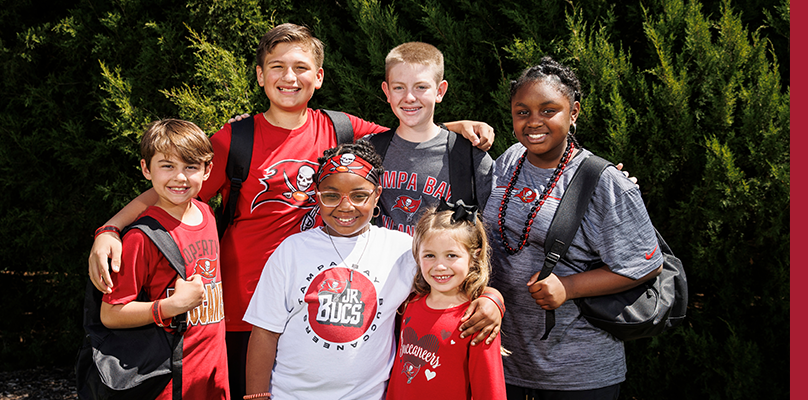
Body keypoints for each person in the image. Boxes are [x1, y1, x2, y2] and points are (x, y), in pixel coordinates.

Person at [85, 23, 503, 397]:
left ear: (319, 77)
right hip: (242, 312)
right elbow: (174, 191)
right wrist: (111, 228)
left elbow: (407, 129)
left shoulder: (341, 130)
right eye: (278, 66)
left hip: (332, 302)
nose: (290, 77)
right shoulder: (236, 139)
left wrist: (453, 129)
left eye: (301, 67)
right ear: (260, 76)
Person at [484, 57, 668, 400]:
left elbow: (647, 264)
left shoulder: (603, 182)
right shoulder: (509, 160)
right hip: (505, 361)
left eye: (548, 110)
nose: (533, 122)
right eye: (522, 112)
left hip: (578, 372)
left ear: (574, 112)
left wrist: (568, 286)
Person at [243, 142, 418, 399]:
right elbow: (265, 331)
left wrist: (489, 299)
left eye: (359, 196)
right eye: (331, 196)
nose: (345, 207)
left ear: (377, 194)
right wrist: (256, 397)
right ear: (317, 194)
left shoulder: (402, 250)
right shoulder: (292, 250)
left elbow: (452, 279)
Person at [86, 119, 227, 399]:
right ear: (145, 169)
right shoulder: (142, 237)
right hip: (168, 381)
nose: (180, 177)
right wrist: (170, 306)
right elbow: (110, 314)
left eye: (191, 166)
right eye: (167, 166)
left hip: (212, 373)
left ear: (208, 169)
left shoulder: (207, 214)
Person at [366, 42, 495, 235]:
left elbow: (492, 231)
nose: (409, 97)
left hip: (442, 264)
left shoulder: (469, 157)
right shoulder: (369, 150)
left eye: (421, 87)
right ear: (387, 92)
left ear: (440, 91)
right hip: (385, 264)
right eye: (399, 87)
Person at [386, 205, 505, 400]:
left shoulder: (477, 319)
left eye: (452, 255)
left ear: (474, 256)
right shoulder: (408, 304)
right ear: (417, 255)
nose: (440, 266)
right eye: (429, 255)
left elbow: (490, 391)